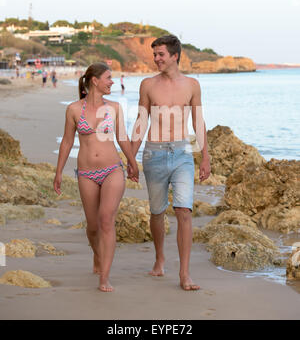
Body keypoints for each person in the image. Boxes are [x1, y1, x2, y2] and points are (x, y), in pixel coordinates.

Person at [129, 35, 211, 291]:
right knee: (157, 212)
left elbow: (198, 122)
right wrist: (131, 158)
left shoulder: (192, 85)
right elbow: (141, 122)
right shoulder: (148, 85)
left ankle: (184, 274)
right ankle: (159, 257)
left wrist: (205, 156)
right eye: (154, 55)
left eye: (161, 54)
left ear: (175, 55)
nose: (156, 59)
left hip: (182, 154)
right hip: (153, 153)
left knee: (183, 211)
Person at [53, 62, 139, 292]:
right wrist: (58, 171)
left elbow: (122, 138)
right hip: (86, 174)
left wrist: (132, 162)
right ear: (95, 80)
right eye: (108, 78)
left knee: (105, 219)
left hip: (112, 170)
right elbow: (67, 141)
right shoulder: (73, 109)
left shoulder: (114, 107)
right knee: (92, 227)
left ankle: (105, 277)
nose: (112, 82)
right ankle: (97, 256)